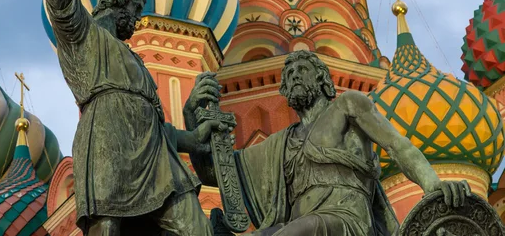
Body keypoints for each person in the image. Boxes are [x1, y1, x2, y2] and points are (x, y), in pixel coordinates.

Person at [44, 0, 220, 236]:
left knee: (196, 227)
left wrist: (194, 138)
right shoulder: (82, 34)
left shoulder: (134, 63)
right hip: (108, 141)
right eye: (135, 13)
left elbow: (155, 127)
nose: (137, 22)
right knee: (108, 228)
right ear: (117, 6)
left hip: (157, 159)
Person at [186, 50, 471, 236]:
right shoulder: (282, 143)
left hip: (346, 219)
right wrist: (191, 116)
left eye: (302, 69)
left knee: (295, 232)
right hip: (298, 224)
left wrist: (432, 184)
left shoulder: (348, 105)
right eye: (289, 74)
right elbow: (217, 173)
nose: (295, 75)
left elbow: (397, 145)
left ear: (322, 79)